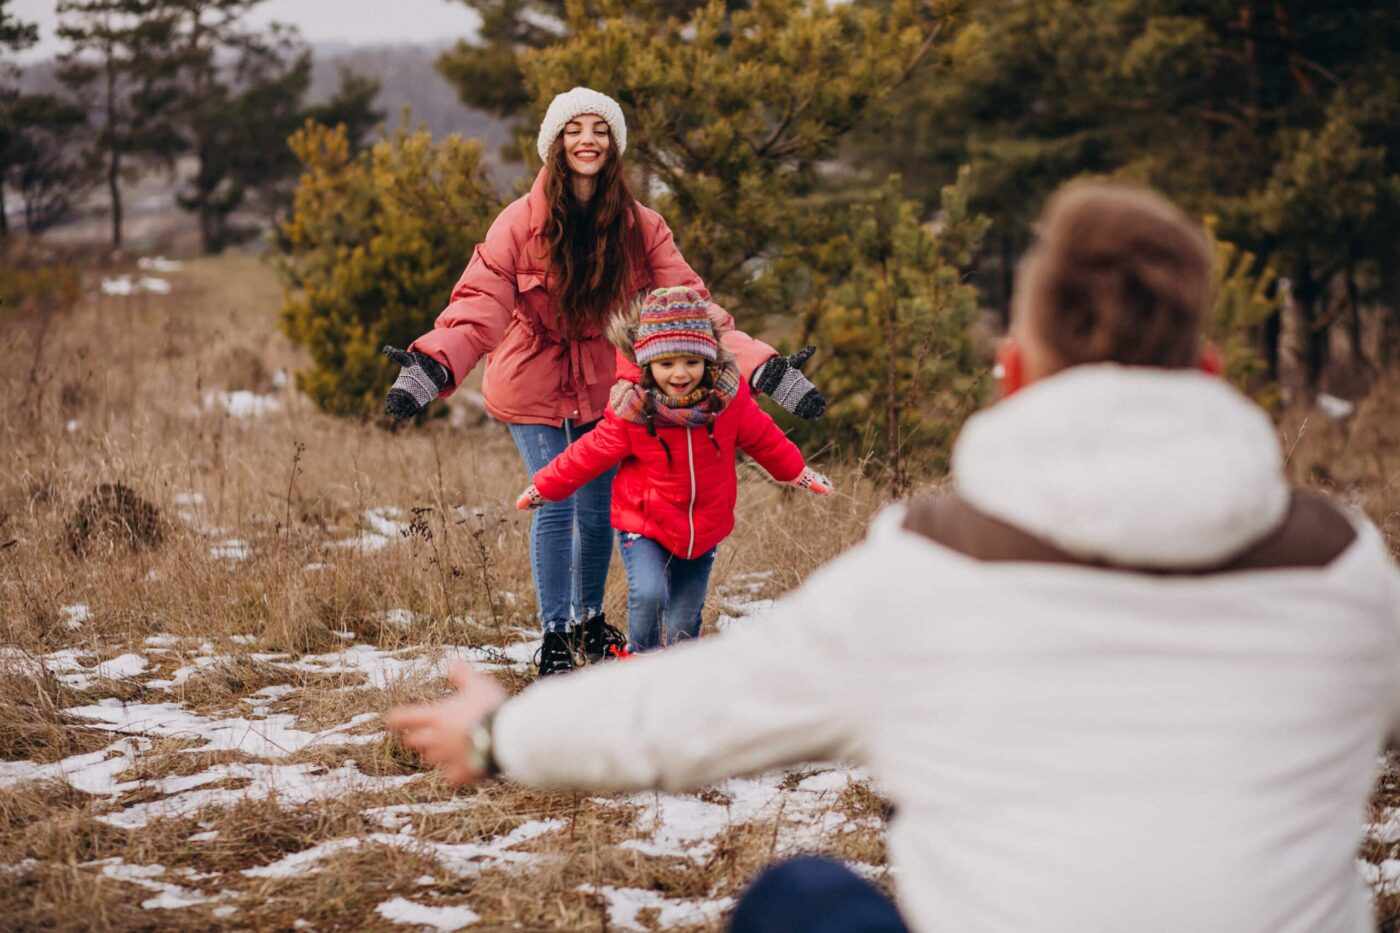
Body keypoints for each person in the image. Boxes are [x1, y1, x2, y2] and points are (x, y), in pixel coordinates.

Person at [387, 180, 1400, 933]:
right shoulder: (1344, 569)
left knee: (798, 898)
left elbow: (690, 710)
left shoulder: (927, 573)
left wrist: (498, 737)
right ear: (1208, 370)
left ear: (1011, 372)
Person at [380, 87, 827, 676]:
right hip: (533, 379)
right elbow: (479, 303)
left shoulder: (642, 226)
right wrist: (435, 363)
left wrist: (761, 366)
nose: (586, 139)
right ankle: (557, 635)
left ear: (613, 144)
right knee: (556, 497)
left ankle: (589, 621)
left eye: (598, 129)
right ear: (555, 144)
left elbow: (691, 307)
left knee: (597, 507)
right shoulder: (519, 223)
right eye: (574, 129)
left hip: (605, 381)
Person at [513, 286, 832, 653]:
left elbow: (765, 440)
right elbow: (588, 453)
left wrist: (798, 473)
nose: (680, 374)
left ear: (708, 361)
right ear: (647, 365)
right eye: (667, 365)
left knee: (683, 621)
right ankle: (643, 662)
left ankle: (676, 677)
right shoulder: (632, 410)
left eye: (691, 362)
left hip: (702, 530)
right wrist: (544, 486)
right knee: (649, 594)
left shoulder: (729, 402)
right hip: (644, 525)